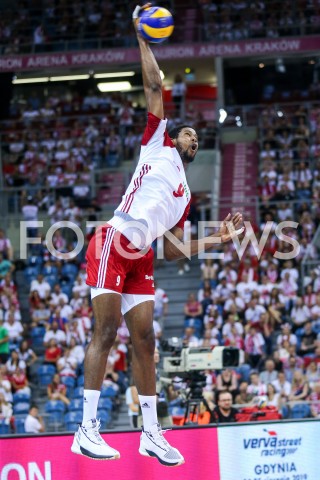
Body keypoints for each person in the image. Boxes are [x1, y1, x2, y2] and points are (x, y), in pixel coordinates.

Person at [71, 2, 244, 467]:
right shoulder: (157, 142)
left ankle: (151, 432)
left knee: (145, 339)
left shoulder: (185, 195)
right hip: (114, 238)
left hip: (143, 254)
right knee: (105, 332)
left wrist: (217, 241)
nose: (187, 135)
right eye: (183, 130)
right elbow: (154, 84)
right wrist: (142, 36)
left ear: (196, 149)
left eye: (192, 136)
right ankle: (86, 428)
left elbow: (173, 249)